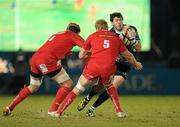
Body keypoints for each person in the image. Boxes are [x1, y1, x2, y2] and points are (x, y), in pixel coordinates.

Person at [49, 19, 142, 118]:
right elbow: (128, 55)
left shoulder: (92, 36)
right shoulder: (116, 38)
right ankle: (119, 111)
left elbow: (81, 55)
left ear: (97, 28)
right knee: (110, 86)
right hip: (108, 68)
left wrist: (92, 52)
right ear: (107, 27)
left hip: (94, 66)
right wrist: (136, 64)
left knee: (78, 88)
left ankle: (59, 112)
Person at [2, 22, 84, 116]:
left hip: (35, 59)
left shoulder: (57, 34)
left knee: (33, 87)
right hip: (46, 61)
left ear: (67, 28)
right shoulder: (73, 35)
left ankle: (9, 108)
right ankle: (53, 110)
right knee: (68, 84)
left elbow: (54, 50)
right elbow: (87, 47)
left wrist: (64, 53)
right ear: (77, 33)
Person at [77, 12, 142, 117]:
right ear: (112, 23)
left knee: (113, 86)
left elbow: (138, 48)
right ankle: (88, 98)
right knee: (99, 86)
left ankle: (91, 109)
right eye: (116, 20)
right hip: (111, 64)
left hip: (124, 65)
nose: (119, 22)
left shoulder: (131, 30)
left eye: (120, 19)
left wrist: (133, 39)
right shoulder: (110, 33)